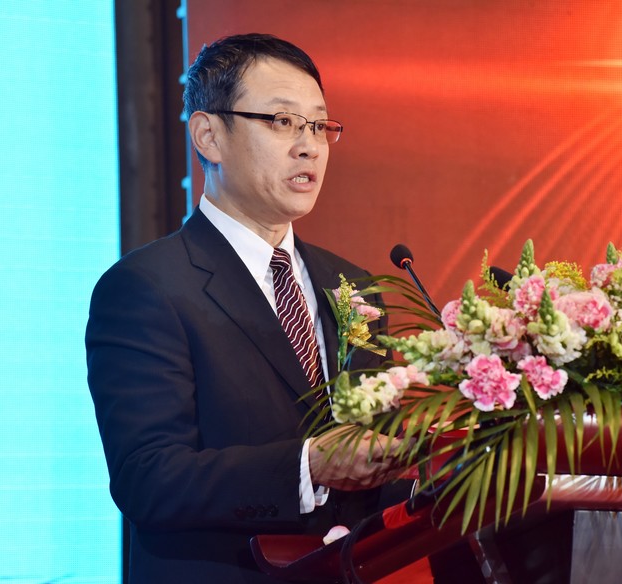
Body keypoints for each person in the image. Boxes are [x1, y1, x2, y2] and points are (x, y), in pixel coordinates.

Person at [86, 33, 411, 583]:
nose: (309, 147)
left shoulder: (352, 286)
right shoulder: (146, 287)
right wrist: (309, 465)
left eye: (319, 126)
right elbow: (149, 477)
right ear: (209, 136)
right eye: (282, 122)